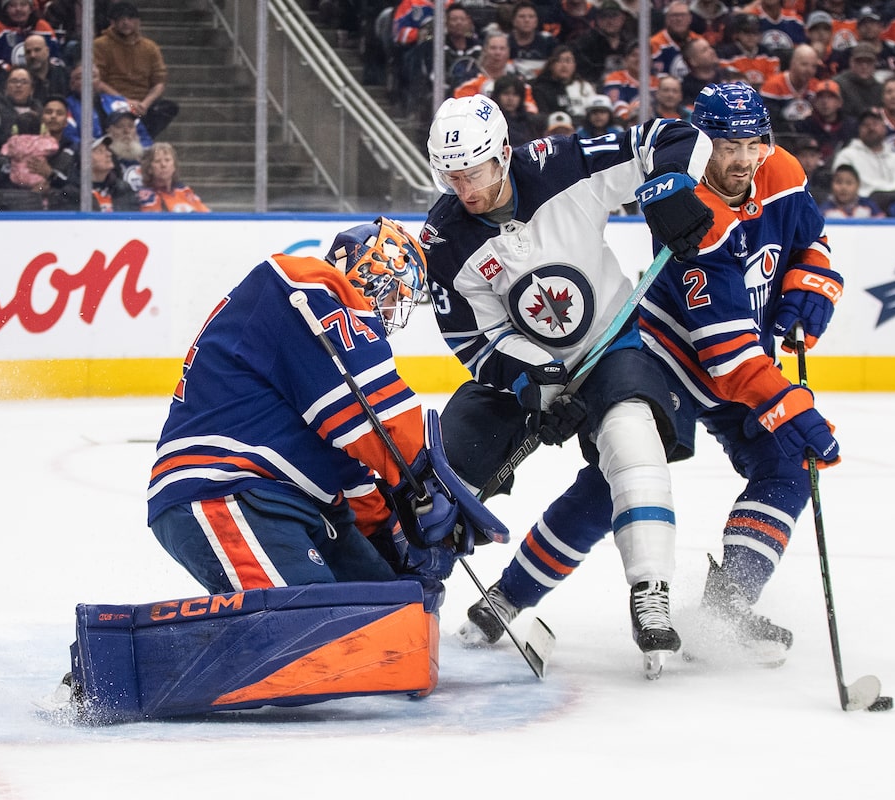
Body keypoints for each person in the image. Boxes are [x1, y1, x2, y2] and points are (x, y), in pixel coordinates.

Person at [422, 93, 715, 675]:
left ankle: (650, 593)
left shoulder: (558, 164)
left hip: (611, 345)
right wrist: (535, 381)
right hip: (525, 373)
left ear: (503, 153)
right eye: (451, 176)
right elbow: (474, 341)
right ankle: (408, 598)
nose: (465, 188)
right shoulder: (444, 239)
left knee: (632, 442)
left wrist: (671, 188)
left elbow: (670, 138)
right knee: (445, 471)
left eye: (474, 172)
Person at [147, 217, 463, 612]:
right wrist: (424, 481)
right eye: (395, 294)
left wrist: (391, 537)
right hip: (226, 488)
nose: (393, 310)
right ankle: (134, 664)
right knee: (313, 632)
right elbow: (378, 414)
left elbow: (351, 471)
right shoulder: (302, 283)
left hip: (293, 501)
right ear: (375, 269)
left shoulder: (320, 353)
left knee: (389, 610)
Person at [636, 82, 842, 665]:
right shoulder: (687, 208)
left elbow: (813, 242)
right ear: (703, 145)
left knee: (786, 468)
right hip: (670, 360)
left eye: (754, 143)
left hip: (741, 362)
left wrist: (810, 287)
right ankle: (508, 598)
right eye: (729, 144)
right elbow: (724, 356)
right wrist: (788, 404)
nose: (746, 158)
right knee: (618, 478)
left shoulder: (783, 171)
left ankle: (727, 607)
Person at [92, 1, 178, 138]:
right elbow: (98, 81)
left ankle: (143, 139)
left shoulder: (150, 47)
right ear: (112, 22)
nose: (126, 22)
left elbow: (159, 82)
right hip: (113, 101)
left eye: (130, 18)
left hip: (142, 104)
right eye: (121, 19)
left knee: (168, 107)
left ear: (138, 21)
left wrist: (145, 104)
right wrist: (126, 101)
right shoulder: (100, 45)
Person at [832, 109, 895, 200]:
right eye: (866, 125)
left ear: (884, 128)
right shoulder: (847, 156)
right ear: (859, 130)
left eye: (875, 124)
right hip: (863, 208)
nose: (871, 128)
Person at [0, 66, 42, 162]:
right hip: (2, 162)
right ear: (6, 87)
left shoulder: (39, 110)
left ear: (32, 90)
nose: (18, 85)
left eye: (24, 82)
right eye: (14, 81)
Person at [137, 141, 208, 212]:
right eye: (157, 161)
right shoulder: (146, 196)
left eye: (167, 160)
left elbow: (206, 215)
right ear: (149, 169)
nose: (163, 165)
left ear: (174, 166)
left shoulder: (184, 191)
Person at [529, 44, 593, 122]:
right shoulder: (541, 88)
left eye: (568, 61)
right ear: (551, 64)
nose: (564, 65)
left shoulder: (585, 87)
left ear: (574, 64)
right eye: (559, 61)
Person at [0, 0, 59, 68]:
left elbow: (55, 58)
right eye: (12, 5)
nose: (18, 9)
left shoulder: (43, 27)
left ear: (31, 9)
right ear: (6, 9)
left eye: (23, 5)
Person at [491, 72, 543, 146]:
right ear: (497, 96)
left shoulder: (529, 122)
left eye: (515, 95)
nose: (510, 99)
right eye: (506, 93)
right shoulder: (492, 121)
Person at [818, 162, 885, 216]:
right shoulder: (825, 210)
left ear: (858, 185)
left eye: (849, 183)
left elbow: (882, 223)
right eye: (838, 182)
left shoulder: (868, 206)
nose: (843, 187)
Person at [19, 32, 69, 104]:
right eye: (28, 52)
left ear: (47, 51)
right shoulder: (22, 79)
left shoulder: (63, 75)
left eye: (37, 50)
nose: (32, 55)